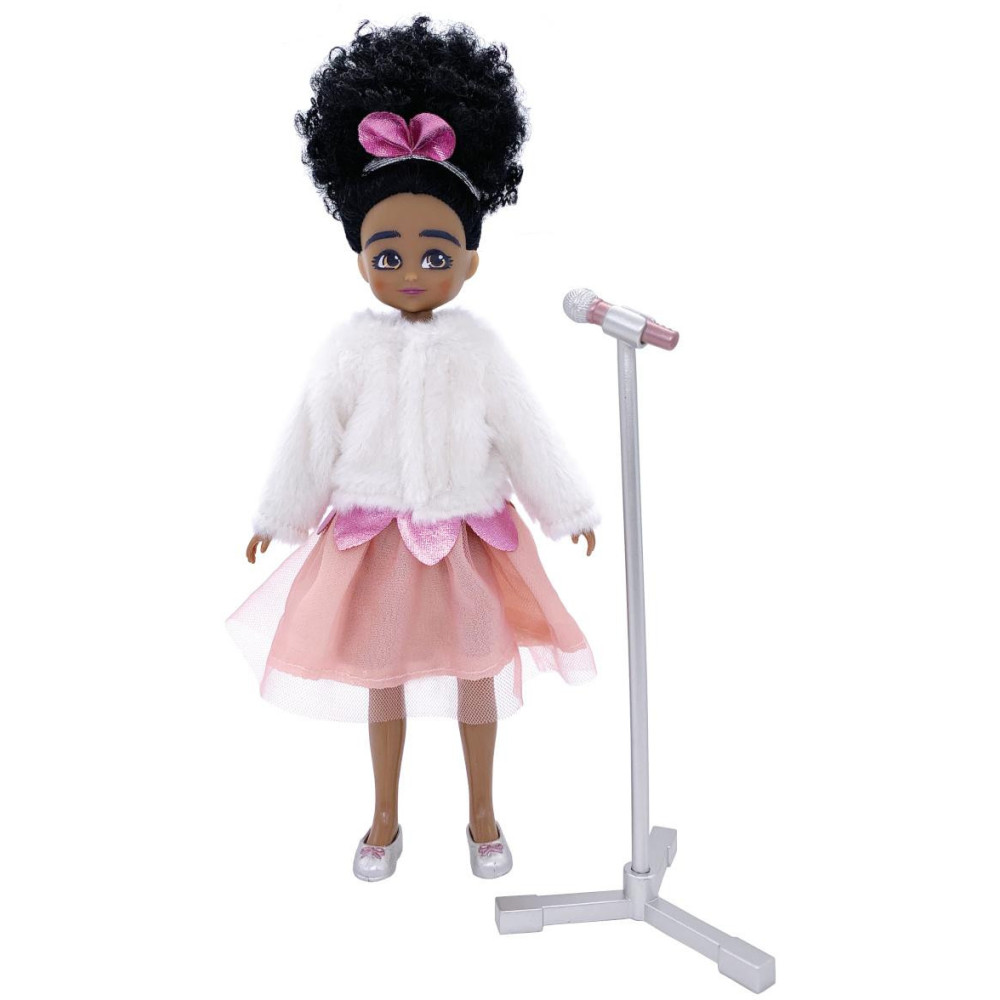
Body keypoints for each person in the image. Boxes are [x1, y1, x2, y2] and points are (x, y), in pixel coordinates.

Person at [226, 15, 600, 883]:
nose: (409, 271)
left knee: (478, 673)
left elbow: (524, 429)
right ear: (360, 258)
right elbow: (311, 431)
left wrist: (567, 507)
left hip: (466, 539)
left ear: (469, 261)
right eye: (386, 253)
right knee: (381, 676)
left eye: (435, 254)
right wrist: (279, 515)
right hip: (377, 544)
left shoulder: (479, 349)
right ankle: (384, 815)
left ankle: (482, 812)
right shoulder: (349, 350)